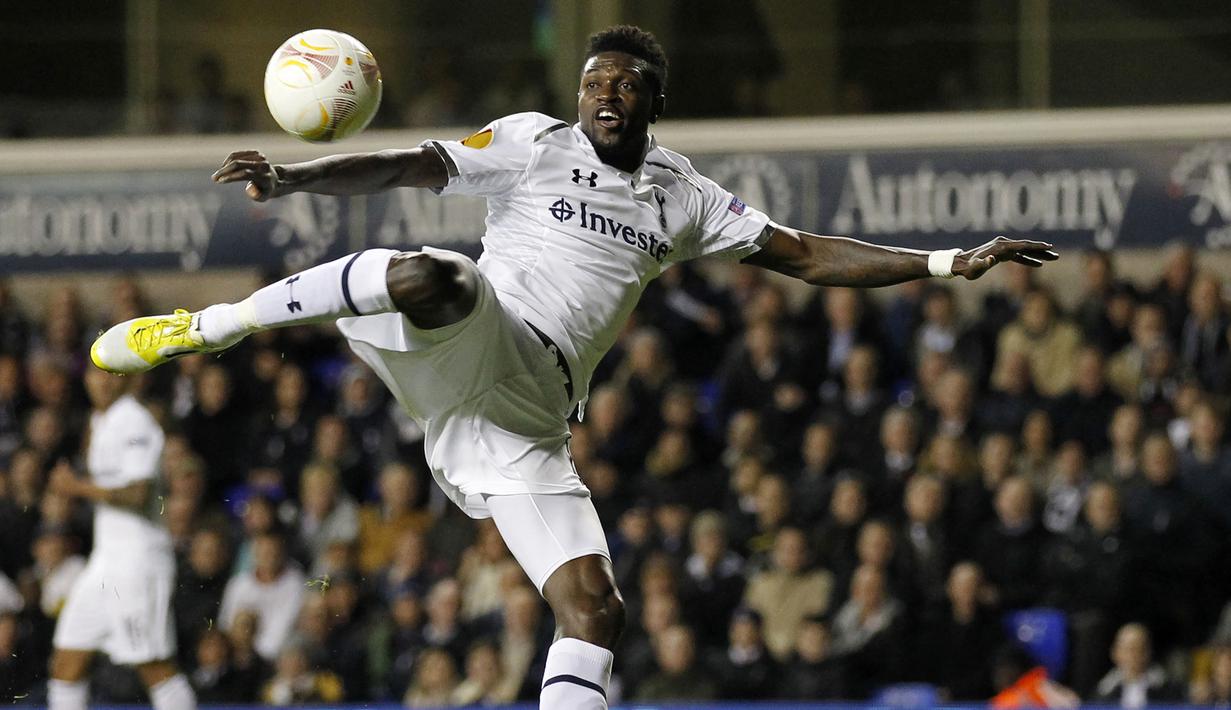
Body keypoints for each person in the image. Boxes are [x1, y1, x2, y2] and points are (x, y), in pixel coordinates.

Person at [89, 25, 1057, 710]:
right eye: (593, 81)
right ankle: (213, 324)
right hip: (476, 334)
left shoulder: (682, 195)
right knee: (440, 273)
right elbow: (409, 168)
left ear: (652, 101)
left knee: (594, 607)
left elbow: (803, 253)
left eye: (622, 85)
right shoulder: (532, 143)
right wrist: (295, 177)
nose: (602, 94)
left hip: (528, 412)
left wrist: (944, 261)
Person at [43, 367, 197, 710]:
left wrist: (76, 487)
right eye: (97, 373)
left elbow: (138, 493)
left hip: (137, 562)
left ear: (128, 378)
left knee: (153, 665)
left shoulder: (135, 421)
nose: (103, 381)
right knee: (67, 661)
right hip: (105, 562)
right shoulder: (101, 420)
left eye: (112, 374)